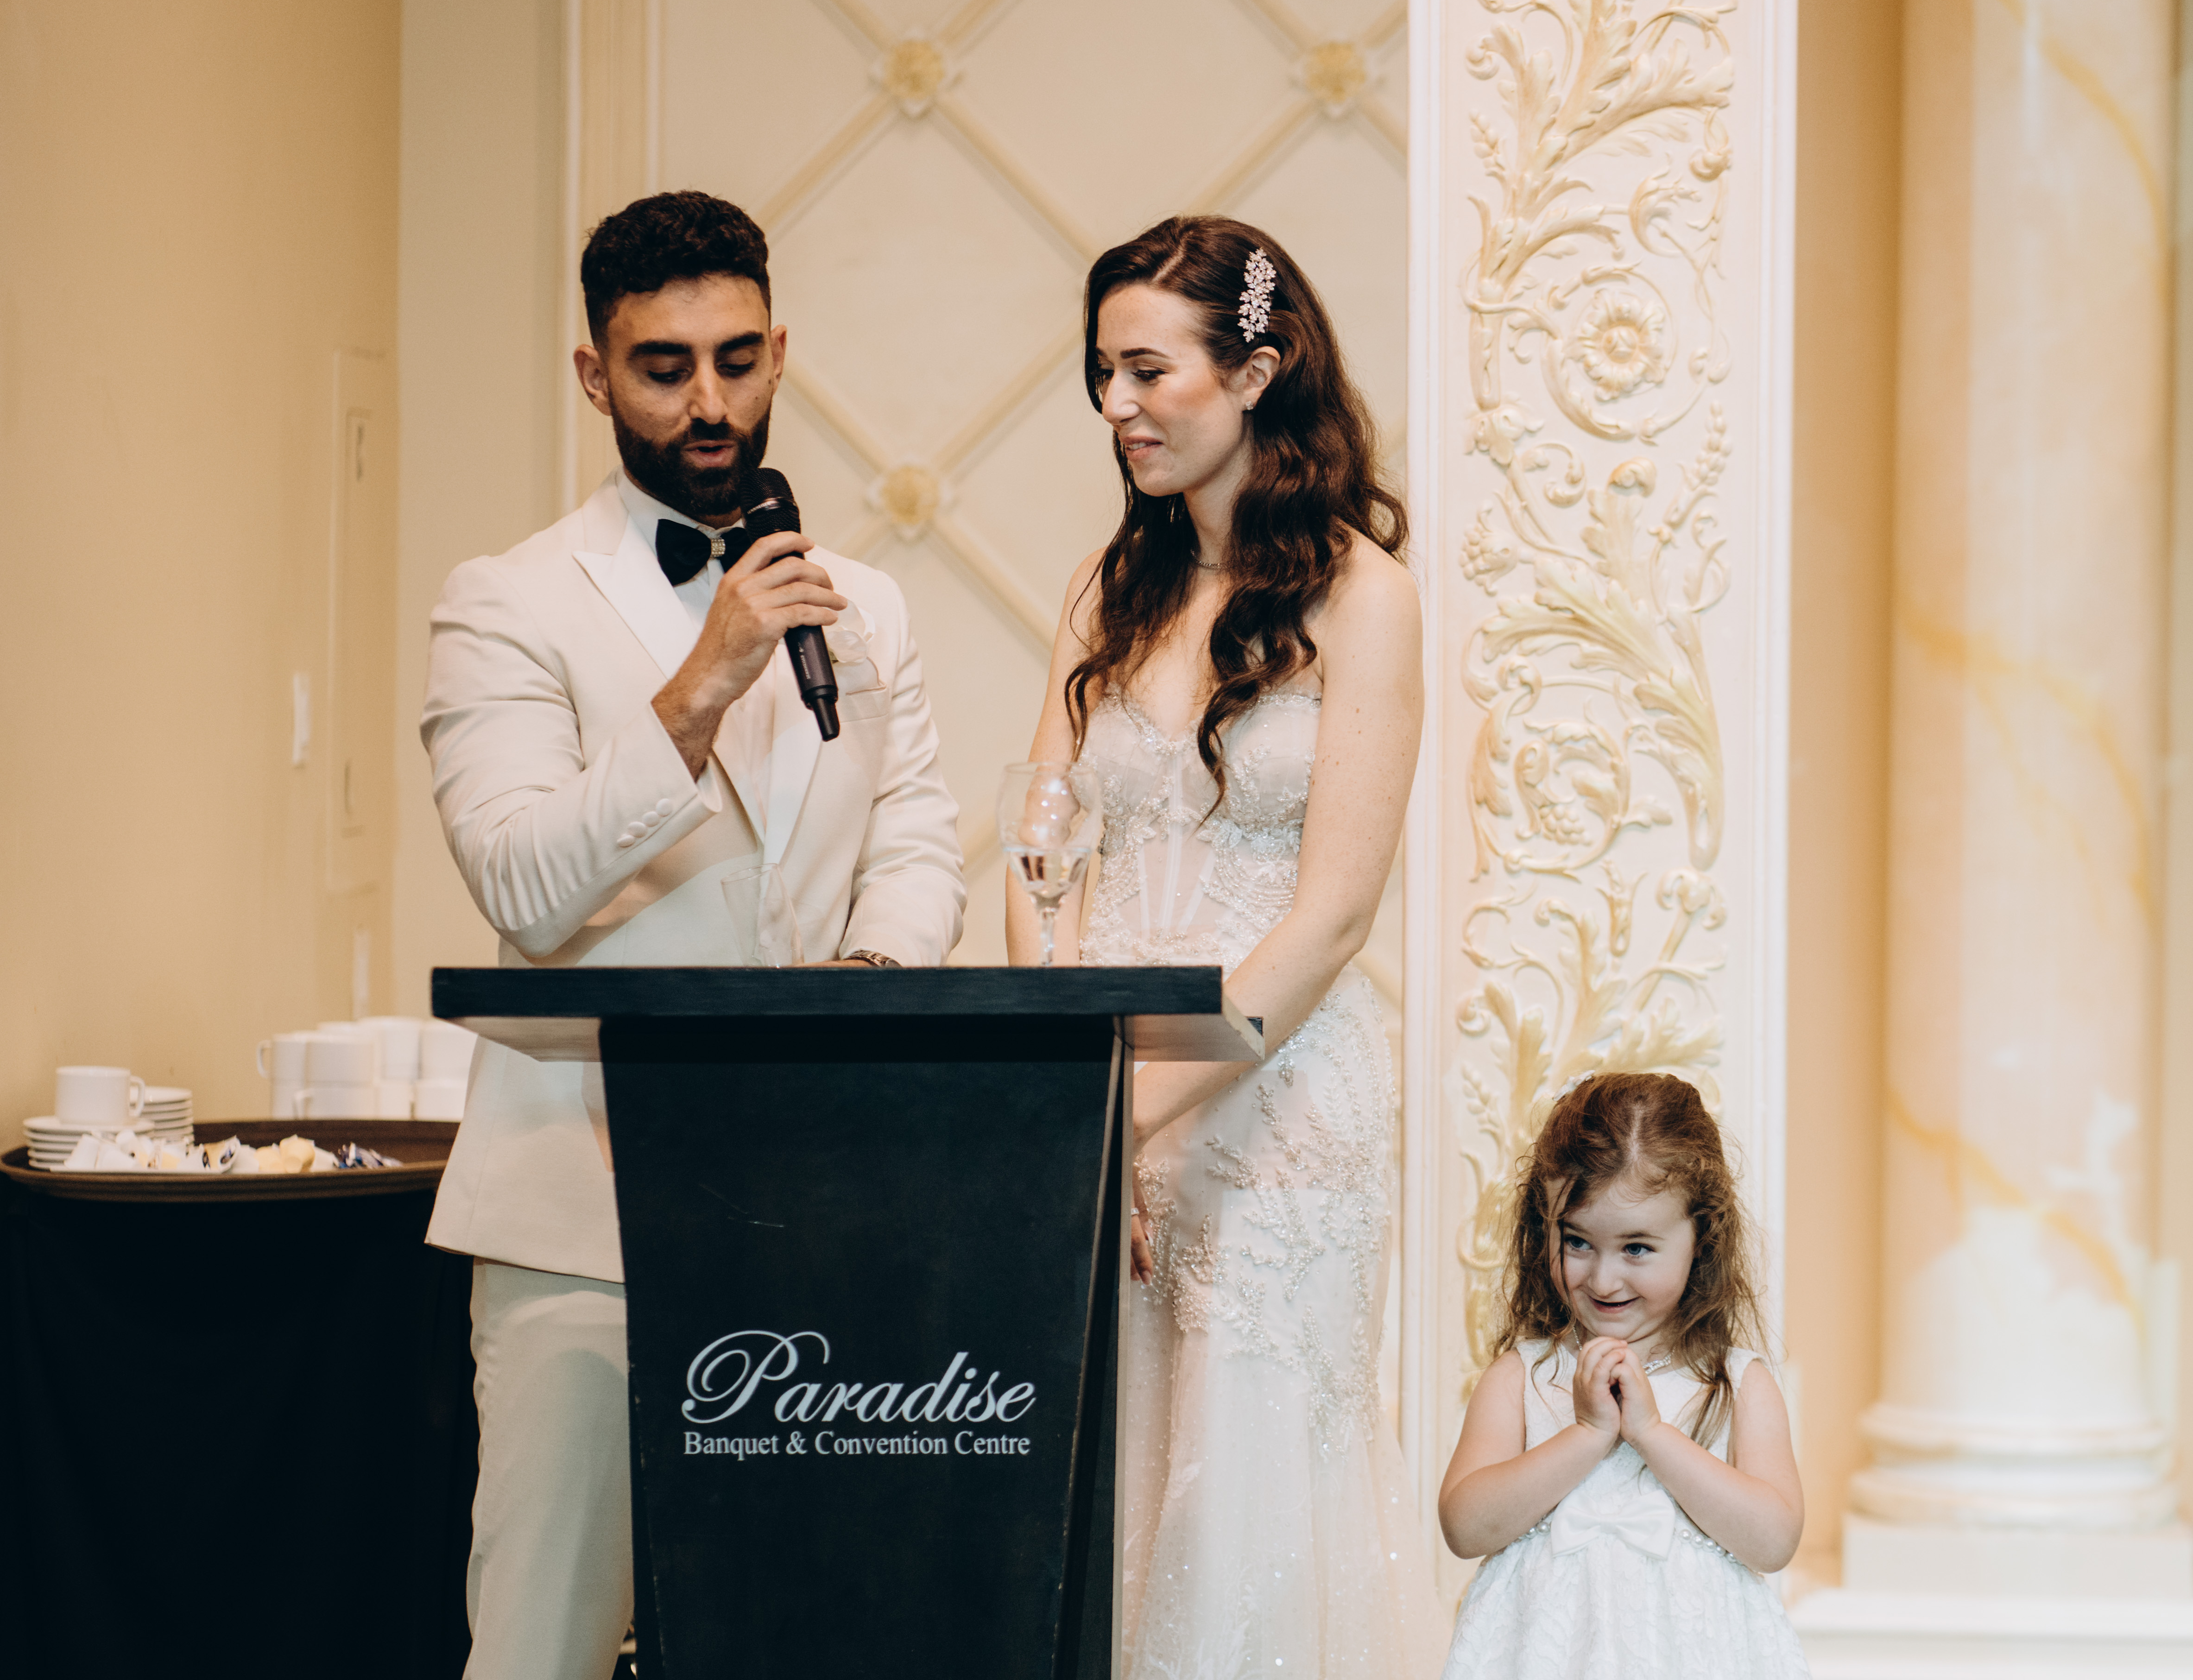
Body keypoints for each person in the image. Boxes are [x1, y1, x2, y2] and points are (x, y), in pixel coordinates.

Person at [423, 189, 964, 1680]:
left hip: (824, 1200)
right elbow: (521, 882)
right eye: (664, 368)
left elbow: (915, 841)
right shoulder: (507, 602)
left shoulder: (865, 606)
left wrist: (866, 990)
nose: (710, 403)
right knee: (541, 1641)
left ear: (780, 351)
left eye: (737, 360)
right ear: (594, 375)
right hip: (580, 1214)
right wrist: (698, 688)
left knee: (801, 1631)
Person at [1018, 215, 1441, 1678]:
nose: (1115, 404)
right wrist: (1070, 1088)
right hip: (1103, 1096)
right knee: (1111, 1477)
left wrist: (1130, 1110)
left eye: (1148, 371)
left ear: (1255, 372)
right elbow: (1034, 844)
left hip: (1273, 1107)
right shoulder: (1107, 588)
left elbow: (1331, 919)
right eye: (1102, 373)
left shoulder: (1365, 600)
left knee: (1240, 1489)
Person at [1437, 1071, 1812, 1679]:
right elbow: (1464, 1527)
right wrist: (1587, 1435)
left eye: (1637, 1248)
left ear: (1702, 1238)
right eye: (1577, 1243)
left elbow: (1773, 1542)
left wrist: (1651, 1433)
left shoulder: (1739, 1384)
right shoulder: (1522, 1377)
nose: (1604, 1279)